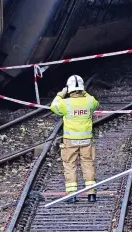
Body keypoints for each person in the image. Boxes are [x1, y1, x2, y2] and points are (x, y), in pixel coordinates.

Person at [50, 75, 100, 204]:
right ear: (82, 88)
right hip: (86, 140)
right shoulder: (89, 101)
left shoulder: (65, 103)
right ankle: (91, 194)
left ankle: (72, 195)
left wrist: (60, 94)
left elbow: (53, 106)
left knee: (70, 166)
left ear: (69, 89)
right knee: (88, 164)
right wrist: (85, 93)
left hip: (70, 141)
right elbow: (95, 102)